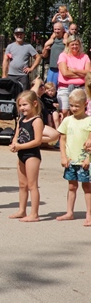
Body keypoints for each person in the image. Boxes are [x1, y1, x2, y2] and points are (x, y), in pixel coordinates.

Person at [56, 89, 91, 225]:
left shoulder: (89, 121)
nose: (74, 108)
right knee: (71, 186)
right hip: (71, 160)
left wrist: (88, 158)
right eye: (71, 105)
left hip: (84, 161)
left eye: (77, 106)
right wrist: (63, 157)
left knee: (87, 187)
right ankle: (69, 212)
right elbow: (62, 140)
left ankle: (89, 214)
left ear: (85, 104)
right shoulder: (67, 120)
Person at [9, 90, 43, 222]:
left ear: (34, 104)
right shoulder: (21, 119)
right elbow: (17, 135)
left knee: (32, 185)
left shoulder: (37, 120)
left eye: (25, 105)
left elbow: (37, 141)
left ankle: (34, 214)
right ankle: (22, 210)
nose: (22, 108)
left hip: (32, 155)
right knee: (22, 184)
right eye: (20, 105)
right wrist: (14, 144)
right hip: (21, 154)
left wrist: (20, 146)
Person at [57, 35, 90, 117]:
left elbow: (88, 73)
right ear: (68, 45)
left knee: (81, 110)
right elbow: (65, 73)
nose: (75, 46)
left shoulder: (85, 57)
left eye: (76, 44)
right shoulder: (63, 56)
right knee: (65, 111)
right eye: (72, 44)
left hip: (81, 87)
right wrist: (82, 75)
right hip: (65, 87)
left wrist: (74, 70)